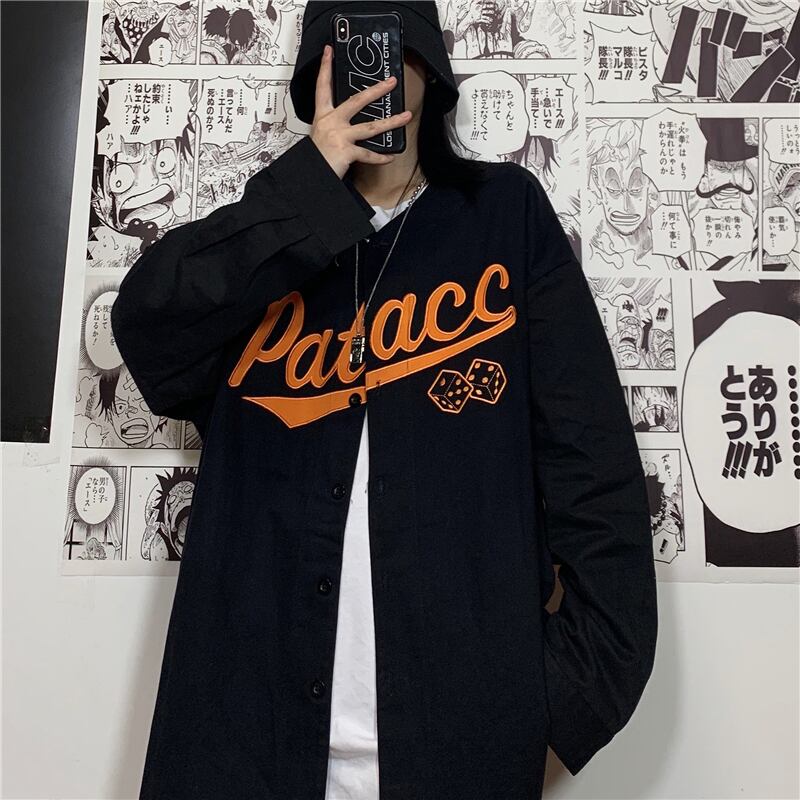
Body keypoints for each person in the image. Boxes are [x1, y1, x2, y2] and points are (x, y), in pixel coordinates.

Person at [110, 2, 659, 799]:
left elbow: (597, 479)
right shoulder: (268, 240)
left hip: (457, 756)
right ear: (316, 72)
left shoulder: (503, 216)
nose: (372, 70)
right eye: (348, 50)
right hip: (243, 747)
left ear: (429, 67)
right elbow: (147, 330)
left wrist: (551, 713)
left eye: (391, 46)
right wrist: (307, 187)